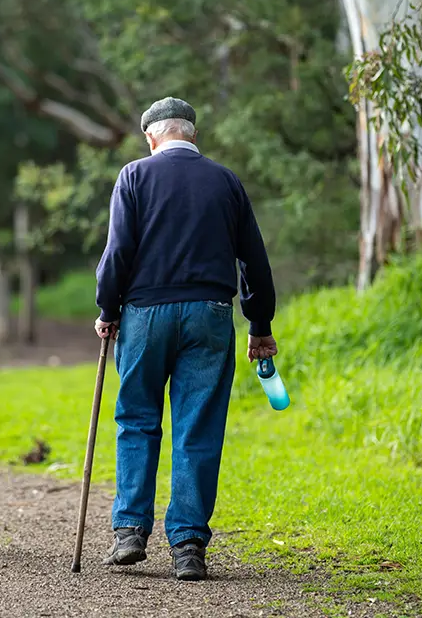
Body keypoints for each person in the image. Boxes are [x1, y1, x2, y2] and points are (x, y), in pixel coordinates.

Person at [94, 97, 278, 582]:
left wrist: (107, 308)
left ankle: (131, 531)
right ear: (192, 135)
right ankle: (189, 545)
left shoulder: (134, 176)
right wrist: (260, 325)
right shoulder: (225, 181)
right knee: (198, 425)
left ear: (151, 137)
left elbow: (117, 252)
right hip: (210, 314)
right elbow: (254, 264)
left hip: (145, 313)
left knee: (137, 418)